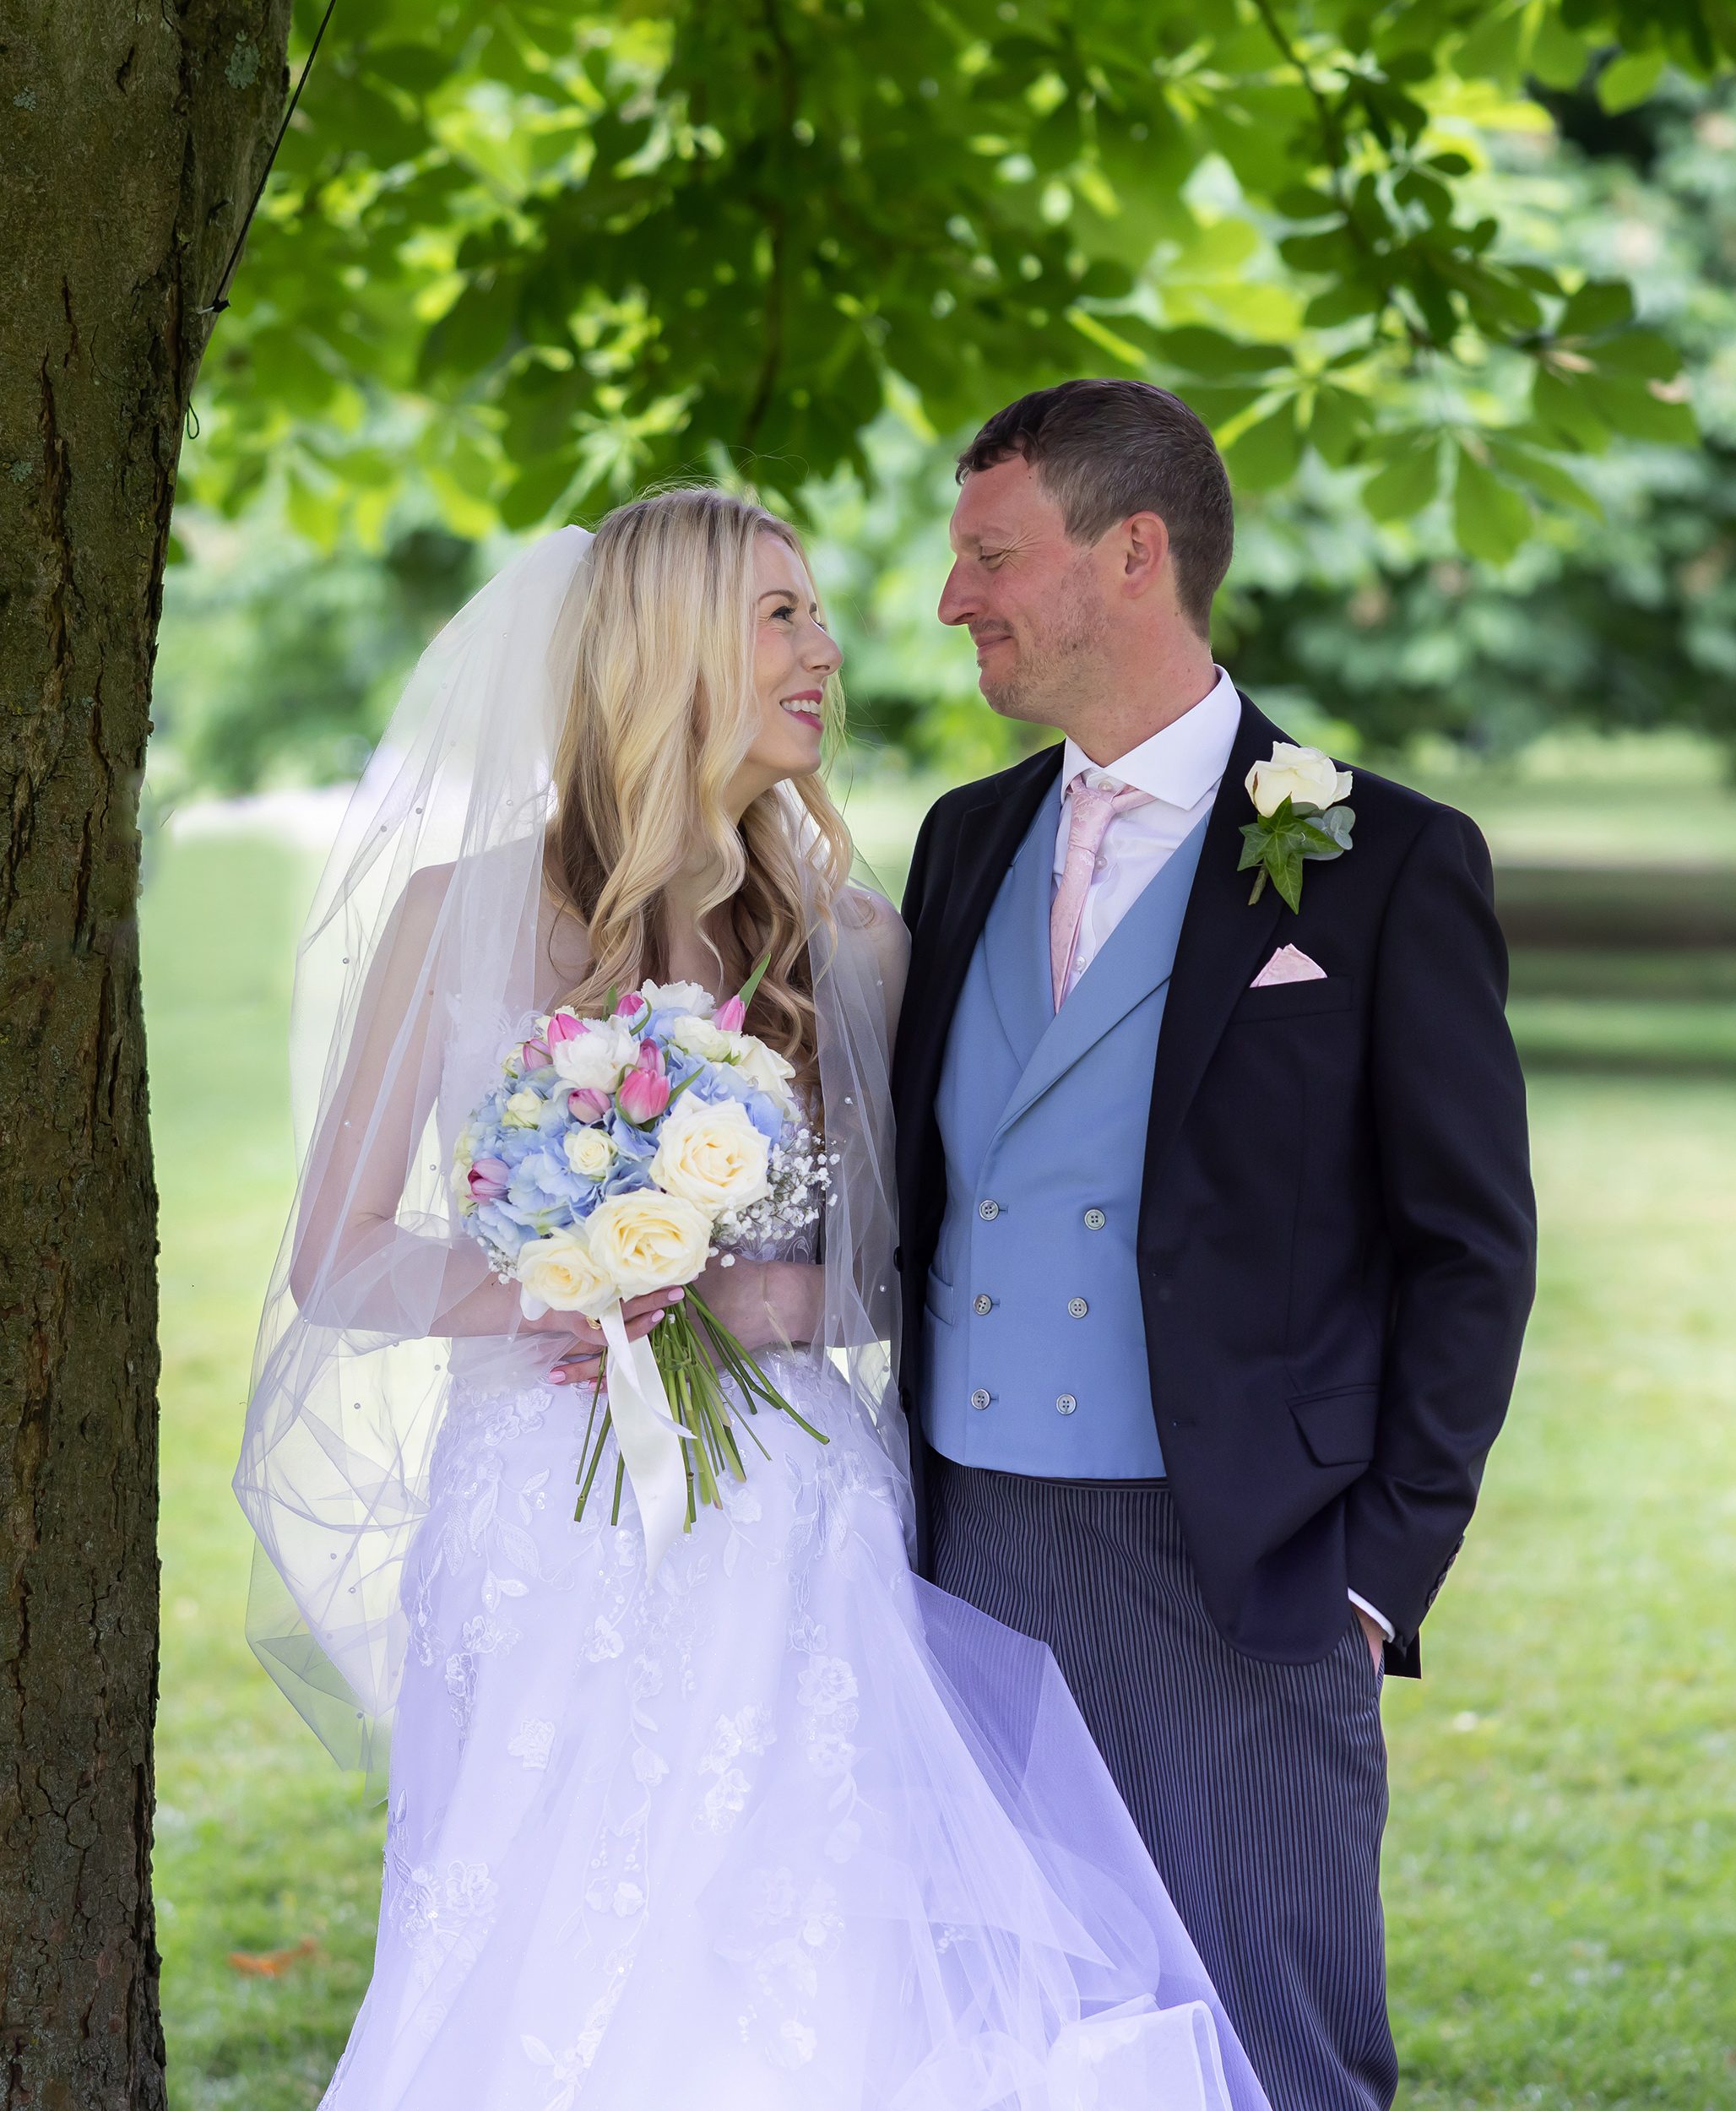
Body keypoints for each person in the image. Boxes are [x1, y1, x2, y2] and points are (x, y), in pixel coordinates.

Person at [235, 488, 1272, 2109]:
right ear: (674, 649)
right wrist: (561, 1289)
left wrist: (779, 1305)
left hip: (789, 1517)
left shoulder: (850, 941)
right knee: (543, 1934)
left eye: (815, 613)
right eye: (781, 614)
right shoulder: (464, 914)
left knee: (799, 1936)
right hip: (543, 1518)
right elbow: (341, 1248)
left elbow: (898, 1257)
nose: (829, 650)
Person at [891, 377, 1538, 2111]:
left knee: (1273, 2028)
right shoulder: (960, 845)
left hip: (1243, 1552)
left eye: (988, 555)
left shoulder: (1374, 852)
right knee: (1010, 2024)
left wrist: (1372, 1573)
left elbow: (1466, 1246)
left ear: (1132, 552)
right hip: (968, 1544)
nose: (953, 598)